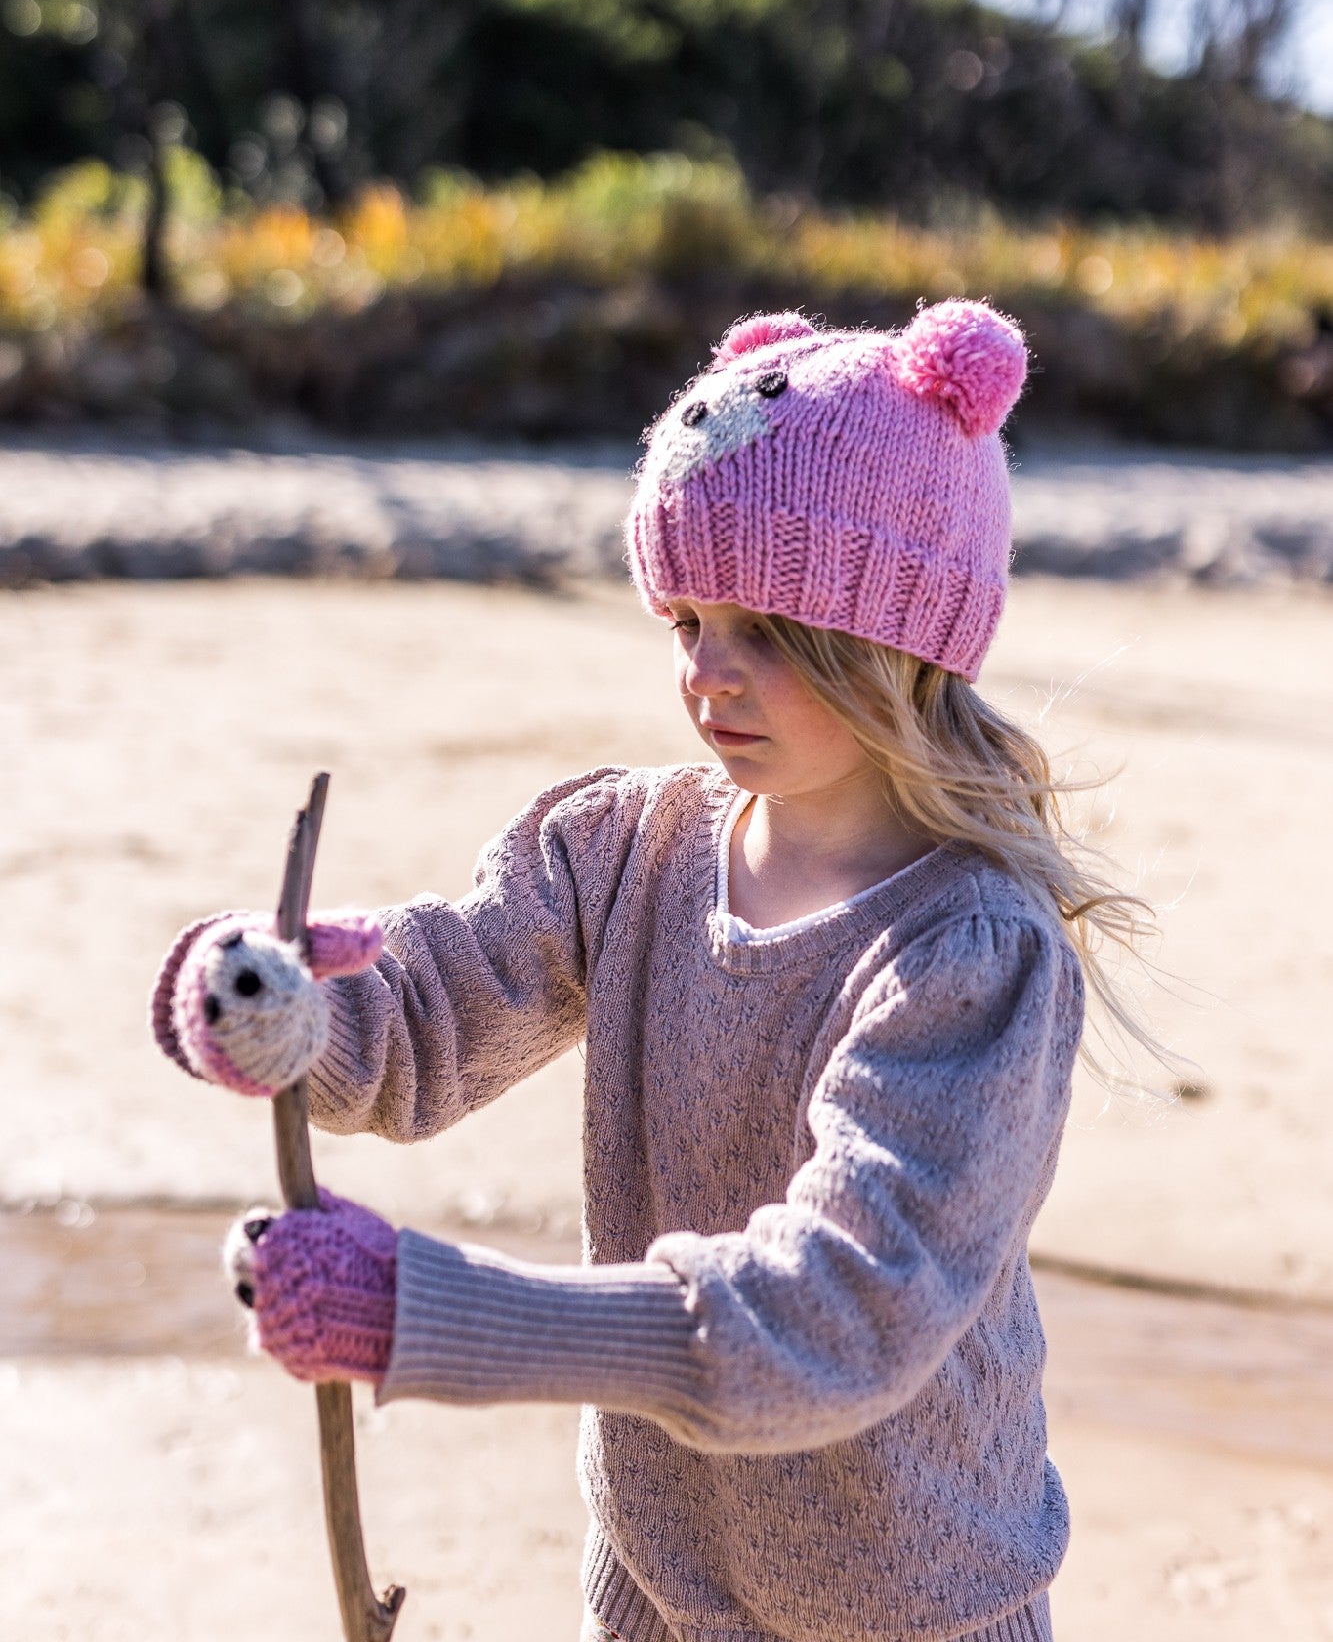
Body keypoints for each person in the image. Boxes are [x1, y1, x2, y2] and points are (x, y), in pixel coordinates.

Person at [151, 300, 1150, 1642]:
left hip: (906, 1610)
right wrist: (288, 1012)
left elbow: (837, 1313)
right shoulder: (623, 848)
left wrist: (425, 1314)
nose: (706, 676)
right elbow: (427, 1019)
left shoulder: (968, 954)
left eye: (768, 631)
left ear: (899, 640)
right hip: (654, 1581)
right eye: (685, 618)